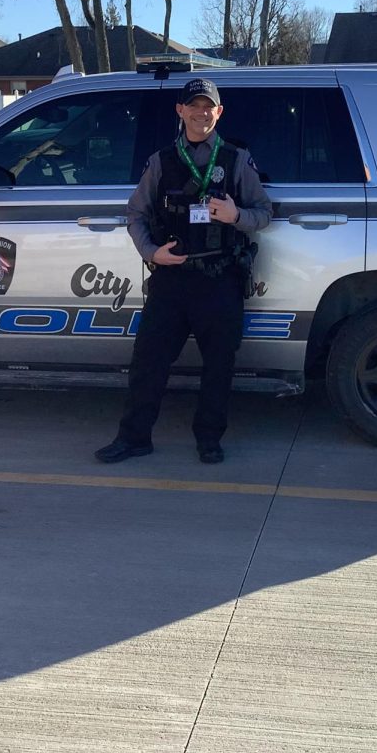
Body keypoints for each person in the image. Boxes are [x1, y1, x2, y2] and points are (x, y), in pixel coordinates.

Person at [95, 78, 272, 465]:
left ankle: (209, 439)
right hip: (171, 279)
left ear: (219, 112)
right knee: (147, 363)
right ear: (180, 111)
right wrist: (152, 252)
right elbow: (136, 214)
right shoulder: (161, 161)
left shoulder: (236, 159)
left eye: (208, 106)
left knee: (219, 366)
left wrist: (236, 215)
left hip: (220, 277)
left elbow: (264, 212)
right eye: (193, 105)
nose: (201, 112)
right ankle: (134, 437)